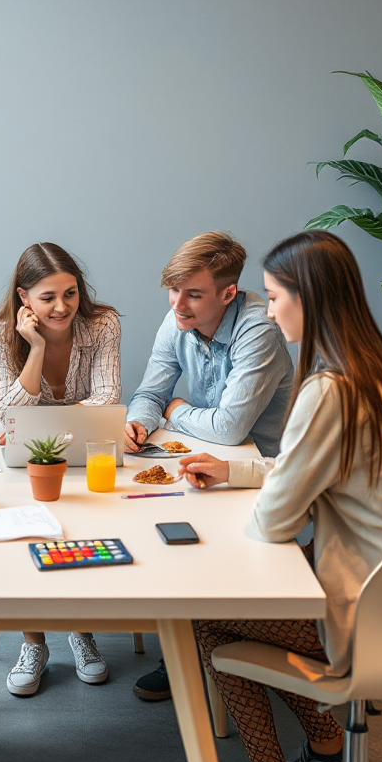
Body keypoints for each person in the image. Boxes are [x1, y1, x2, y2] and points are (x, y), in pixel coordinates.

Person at [180, 230, 382, 762]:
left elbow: (276, 522)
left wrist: (252, 497)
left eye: (274, 298)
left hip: (369, 624)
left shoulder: (328, 388)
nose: (268, 311)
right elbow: (327, 466)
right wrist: (238, 471)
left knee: (207, 612)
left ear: (308, 298)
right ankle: (325, 743)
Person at [127, 231, 294, 701]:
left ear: (228, 293)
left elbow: (230, 429)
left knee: (196, 548)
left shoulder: (259, 328)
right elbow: (148, 393)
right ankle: (187, 649)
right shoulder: (177, 317)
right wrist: (140, 421)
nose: (178, 304)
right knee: (157, 528)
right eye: (173, 290)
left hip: (264, 476)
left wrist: (175, 409)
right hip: (205, 465)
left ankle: (209, 650)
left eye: (193, 294)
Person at [0, 241, 121, 696]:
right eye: (47, 297)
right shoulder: (2, 337)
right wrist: (36, 348)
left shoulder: (103, 324)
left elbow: (107, 396)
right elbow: (7, 413)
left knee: (85, 531)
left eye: (70, 292)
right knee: (27, 537)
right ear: (24, 298)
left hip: (82, 456)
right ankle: (34, 642)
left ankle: (81, 632)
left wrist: (40, 428)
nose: (62, 306)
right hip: (27, 464)